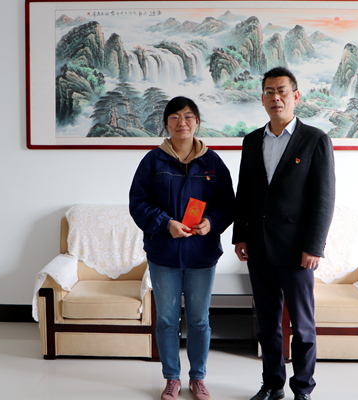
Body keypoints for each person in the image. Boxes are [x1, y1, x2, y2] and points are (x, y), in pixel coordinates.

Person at [233, 67, 336, 400]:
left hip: (297, 251)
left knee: (303, 327)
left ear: (295, 96)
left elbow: (324, 198)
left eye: (282, 91)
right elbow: (245, 192)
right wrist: (240, 236)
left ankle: (303, 388)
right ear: (262, 98)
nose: (275, 98)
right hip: (259, 247)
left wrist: (314, 246)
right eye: (269, 92)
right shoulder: (252, 141)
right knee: (267, 325)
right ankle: (272, 384)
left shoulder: (315, 139)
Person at [129, 96, 235, 400]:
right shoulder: (153, 161)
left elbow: (228, 204)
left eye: (188, 116)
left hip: (202, 253)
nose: (182, 122)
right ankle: (171, 378)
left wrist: (211, 222)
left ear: (197, 122)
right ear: (166, 124)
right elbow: (138, 203)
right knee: (166, 319)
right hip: (163, 253)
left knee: (199, 320)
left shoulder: (212, 162)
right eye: (174, 117)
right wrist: (167, 224)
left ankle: (198, 378)